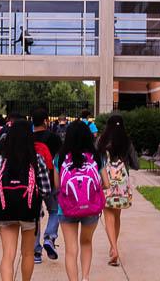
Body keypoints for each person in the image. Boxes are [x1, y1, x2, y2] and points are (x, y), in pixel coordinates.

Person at [0, 120, 51, 281]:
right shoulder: (36, 159)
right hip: (29, 211)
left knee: (7, 255)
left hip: (6, 211)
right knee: (27, 253)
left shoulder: (1, 160)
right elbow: (46, 190)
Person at [54, 120, 108, 281]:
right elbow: (107, 183)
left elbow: (57, 185)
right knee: (86, 242)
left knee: (71, 250)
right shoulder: (96, 157)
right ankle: (85, 277)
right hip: (91, 208)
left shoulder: (60, 157)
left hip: (67, 208)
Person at [97, 114, 139, 267]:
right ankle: (113, 246)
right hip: (122, 184)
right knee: (117, 215)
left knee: (108, 216)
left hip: (106, 182)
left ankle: (114, 248)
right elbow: (136, 164)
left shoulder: (101, 140)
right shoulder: (127, 141)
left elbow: (95, 159)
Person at [31, 108, 62, 264]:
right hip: (50, 181)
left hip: (32, 183)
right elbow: (59, 161)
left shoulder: (27, 137)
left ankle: (36, 252)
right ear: (45, 121)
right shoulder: (54, 138)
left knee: (35, 216)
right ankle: (49, 237)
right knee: (55, 210)